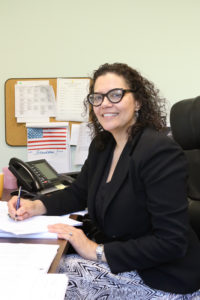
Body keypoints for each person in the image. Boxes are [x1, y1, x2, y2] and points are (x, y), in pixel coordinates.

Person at [8, 63, 200, 299]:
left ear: (138, 101)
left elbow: (171, 242)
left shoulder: (159, 152)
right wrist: (35, 206)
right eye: (97, 97)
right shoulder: (103, 146)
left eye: (116, 95)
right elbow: (78, 193)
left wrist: (95, 251)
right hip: (127, 261)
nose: (105, 103)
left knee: (44, 281)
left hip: (163, 276)